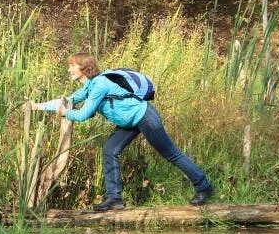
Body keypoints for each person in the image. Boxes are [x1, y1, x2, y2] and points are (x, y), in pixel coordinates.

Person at [34, 52, 214, 211]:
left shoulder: (100, 85)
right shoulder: (89, 86)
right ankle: (114, 199)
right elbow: (67, 100)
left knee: (171, 154)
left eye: (72, 66)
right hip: (129, 122)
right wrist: (37, 106)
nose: (69, 70)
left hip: (144, 116)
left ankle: (204, 186)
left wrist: (66, 113)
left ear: (83, 67)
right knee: (109, 150)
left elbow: (83, 115)